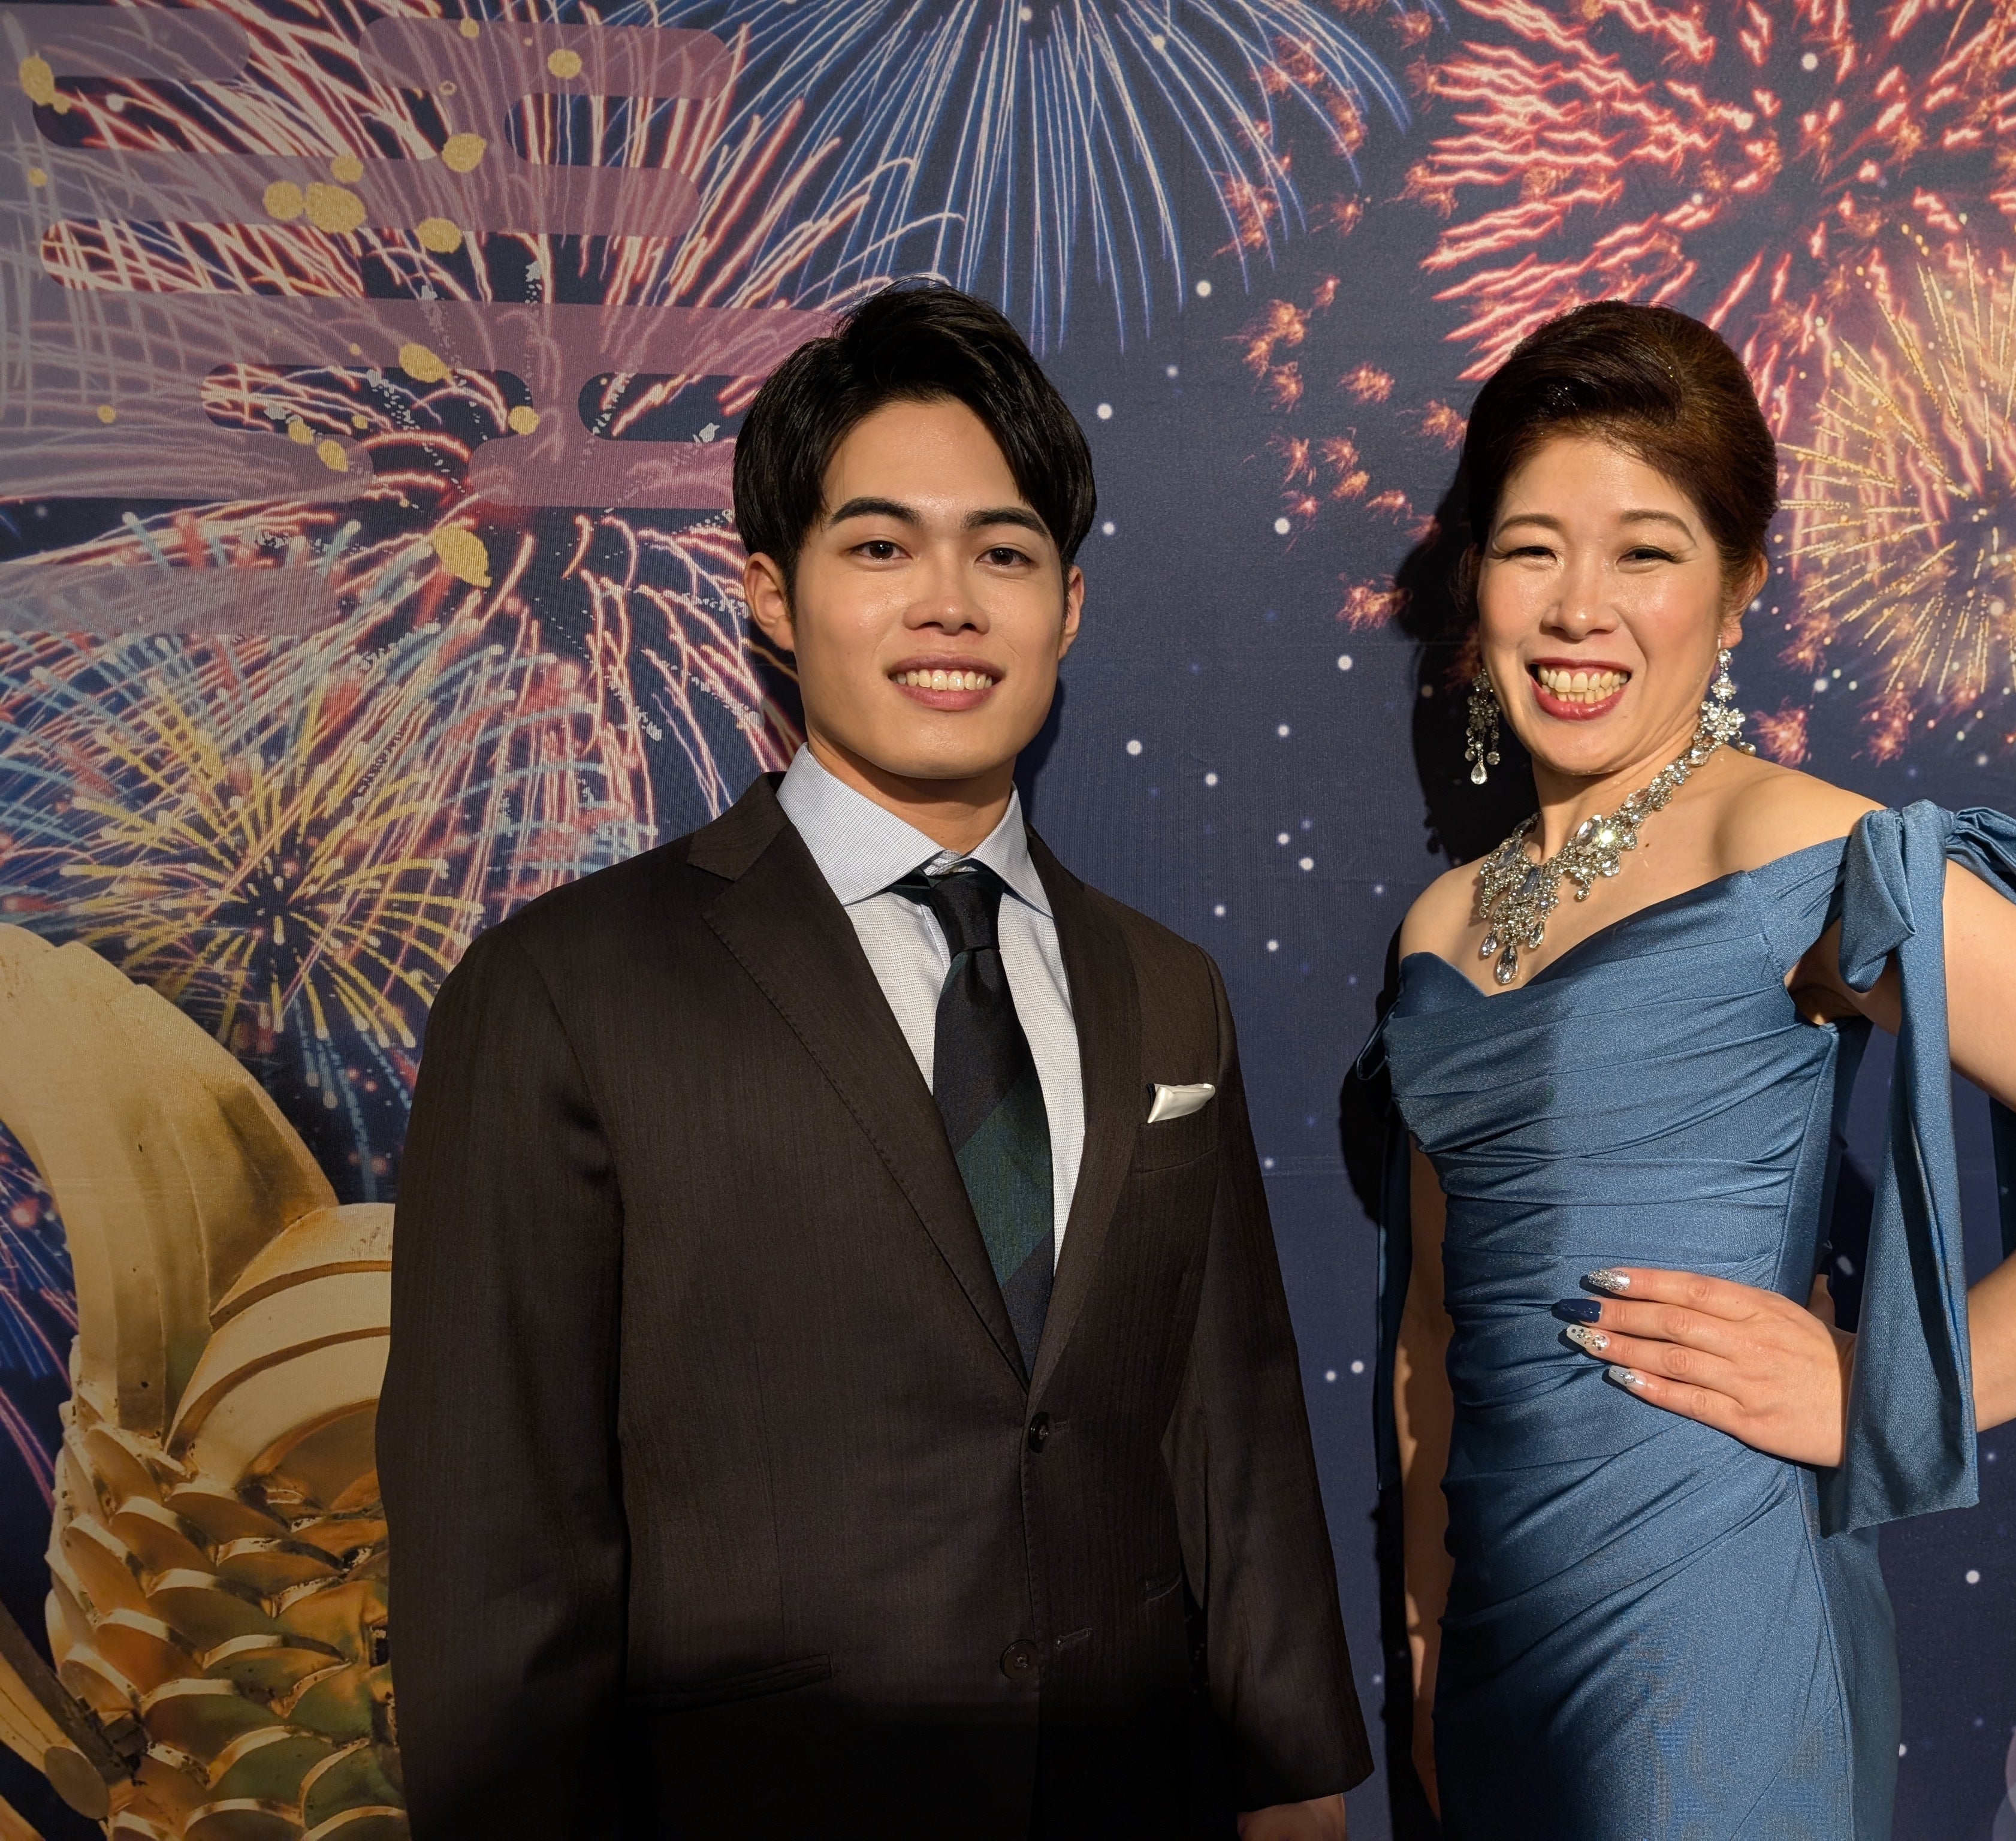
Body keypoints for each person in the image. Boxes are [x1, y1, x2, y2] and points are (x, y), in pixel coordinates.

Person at [380, 284, 1371, 1840]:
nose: (949, 604)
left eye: (1003, 553)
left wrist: (1297, 1781)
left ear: (1068, 606)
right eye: (881, 549)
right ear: (773, 595)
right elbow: (494, 1534)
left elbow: (1230, 1426)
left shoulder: (1167, 988)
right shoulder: (566, 990)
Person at [1363, 301, 2016, 1838]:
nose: (1578, 608)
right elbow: (1436, 1320)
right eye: (1531, 547)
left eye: (1646, 551)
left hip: (1706, 1627)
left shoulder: (1792, 845)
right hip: (1495, 1650)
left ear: (1738, 590)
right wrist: (1426, 1639)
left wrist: (1888, 1389)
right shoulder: (1443, 925)